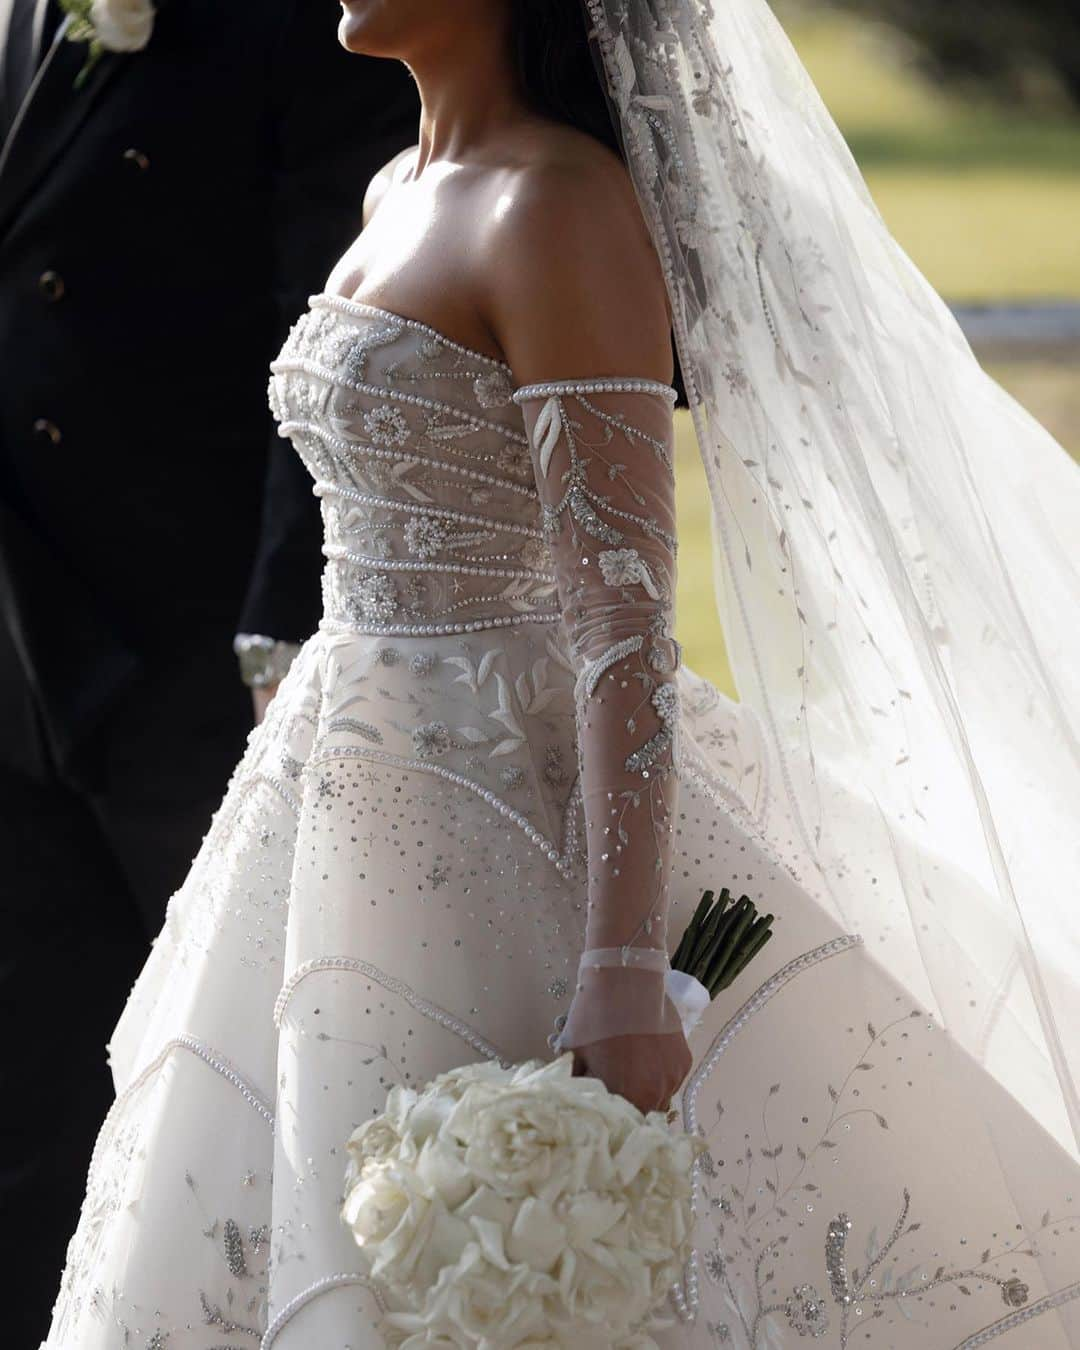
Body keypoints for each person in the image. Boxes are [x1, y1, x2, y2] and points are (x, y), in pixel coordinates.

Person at [41, 0, 1080, 1346]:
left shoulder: (558, 205)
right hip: (333, 807)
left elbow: (623, 619)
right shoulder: (395, 184)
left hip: (510, 817)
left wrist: (622, 965)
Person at [0, 1, 418, 1343]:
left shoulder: (306, 18)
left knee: (249, 1110)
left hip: (205, 663)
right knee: (32, 1113)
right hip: (15, 655)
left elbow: (338, 321)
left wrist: (290, 635)